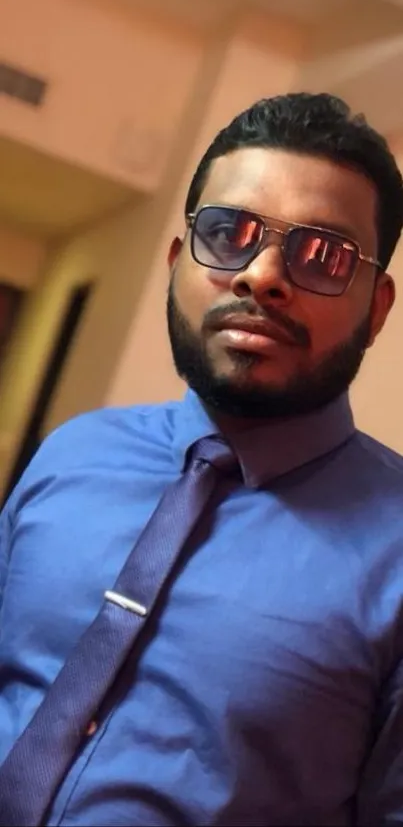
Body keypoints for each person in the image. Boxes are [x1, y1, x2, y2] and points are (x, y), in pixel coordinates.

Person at [0, 92, 403, 827]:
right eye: (228, 233)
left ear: (375, 308)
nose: (261, 275)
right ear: (176, 261)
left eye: (324, 254)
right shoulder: (72, 452)